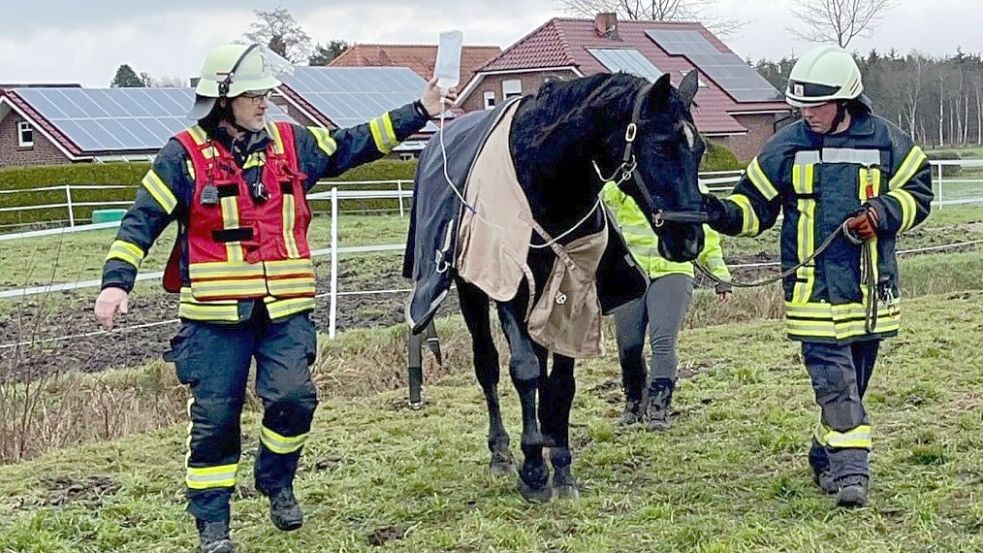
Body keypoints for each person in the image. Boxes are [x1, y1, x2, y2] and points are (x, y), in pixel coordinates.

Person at [93, 43, 452, 553]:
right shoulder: (182, 156)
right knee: (216, 420)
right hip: (214, 321)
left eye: (265, 93)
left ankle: (276, 480)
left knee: (293, 398)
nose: (264, 103)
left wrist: (421, 111)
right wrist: (115, 281)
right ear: (222, 100)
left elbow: (355, 143)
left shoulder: (291, 143)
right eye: (253, 94)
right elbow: (140, 221)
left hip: (285, 311)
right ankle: (213, 528)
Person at [703, 45, 933, 508]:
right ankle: (852, 473)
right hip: (812, 293)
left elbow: (919, 191)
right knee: (835, 381)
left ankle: (824, 453)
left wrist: (883, 213)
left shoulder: (887, 142)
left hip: (870, 292)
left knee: (853, 384)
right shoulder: (785, 146)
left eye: (818, 105)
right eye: (802, 106)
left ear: (845, 100)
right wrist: (715, 212)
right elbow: (753, 208)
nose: (808, 114)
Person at [602, 181, 732, 431]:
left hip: (673, 269)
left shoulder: (690, 184)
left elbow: (706, 235)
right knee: (629, 343)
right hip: (631, 270)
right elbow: (605, 199)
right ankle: (633, 402)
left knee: (662, 339)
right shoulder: (624, 181)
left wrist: (720, 275)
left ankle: (659, 406)